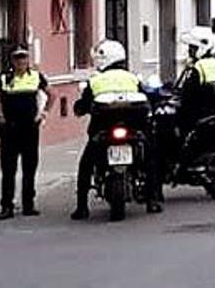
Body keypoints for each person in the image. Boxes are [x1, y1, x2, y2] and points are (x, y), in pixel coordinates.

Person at [70, 40, 163, 220]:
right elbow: (147, 98)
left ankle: (82, 207)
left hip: (103, 130)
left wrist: (80, 109)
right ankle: (152, 200)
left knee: (86, 165)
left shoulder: (96, 80)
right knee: (150, 158)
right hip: (133, 129)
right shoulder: (132, 78)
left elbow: (83, 104)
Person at [0, 46, 49, 219]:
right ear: (12, 60)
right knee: (8, 169)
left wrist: (43, 113)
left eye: (24, 57)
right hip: (9, 130)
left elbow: (52, 94)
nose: (21, 61)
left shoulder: (36, 76)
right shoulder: (4, 78)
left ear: (28, 59)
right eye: (18, 58)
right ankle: (7, 207)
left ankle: (29, 205)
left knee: (30, 168)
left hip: (30, 129)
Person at [177, 26, 215, 129]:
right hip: (213, 109)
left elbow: (189, 91)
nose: (189, 51)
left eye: (193, 47)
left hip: (198, 111)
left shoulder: (199, 66)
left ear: (201, 48)